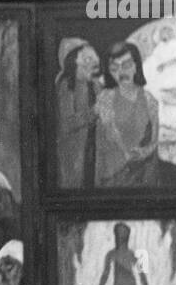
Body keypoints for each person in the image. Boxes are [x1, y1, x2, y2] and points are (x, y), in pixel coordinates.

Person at [94, 41, 159, 186]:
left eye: (127, 65)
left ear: (136, 66)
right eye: (114, 68)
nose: (121, 72)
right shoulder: (106, 97)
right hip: (114, 173)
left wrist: (146, 151)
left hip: (143, 172)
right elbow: (110, 131)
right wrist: (126, 153)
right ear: (109, 71)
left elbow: (155, 139)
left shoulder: (149, 99)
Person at [55, 39, 100, 187]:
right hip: (74, 155)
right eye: (87, 59)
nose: (94, 63)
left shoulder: (96, 84)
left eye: (94, 58)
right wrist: (93, 113)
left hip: (94, 150)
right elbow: (66, 124)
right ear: (73, 63)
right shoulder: (66, 86)